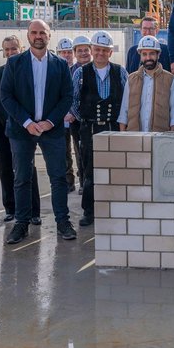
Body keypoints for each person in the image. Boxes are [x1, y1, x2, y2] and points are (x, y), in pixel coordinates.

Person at [1, 20, 76, 245]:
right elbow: (6, 96)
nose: (38, 36)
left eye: (42, 32)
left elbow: (67, 97)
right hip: (22, 129)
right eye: (34, 32)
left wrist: (50, 122)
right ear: (28, 36)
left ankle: (63, 221)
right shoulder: (14, 63)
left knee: (58, 177)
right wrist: (26, 122)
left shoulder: (60, 65)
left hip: (51, 130)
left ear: (49, 35)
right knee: (22, 177)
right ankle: (21, 224)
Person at [71, 31, 128, 226]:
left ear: (110, 52)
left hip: (113, 126)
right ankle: (89, 210)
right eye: (97, 49)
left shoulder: (120, 72)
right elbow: (73, 101)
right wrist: (84, 120)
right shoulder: (80, 72)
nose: (101, 53)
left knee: (115, 169)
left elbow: (128, 100)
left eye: (105, 50)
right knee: (89, 171)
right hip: (90, 128)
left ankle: (115, 208)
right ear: (92, 50)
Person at [0, 35, 41, 225]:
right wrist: (12, 117)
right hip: (1, 125)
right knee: (5, 167)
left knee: (27, 167)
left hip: (24, 127)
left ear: (21, 48)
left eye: (14, 49)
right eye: (7, 50)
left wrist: (23, 121)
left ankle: (34, 211)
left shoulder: (30, 71)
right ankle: (10, 208)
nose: (10, 53)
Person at [118, 35, 174, 132]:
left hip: (160, 138)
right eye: (144, 54)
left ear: (158, 55)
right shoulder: (131, 79)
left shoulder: (170, 80)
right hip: (134, 137)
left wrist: (170, 138)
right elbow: (124, 111)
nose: (148, 57)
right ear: (140, 55)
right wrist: (123, 135)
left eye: (152, 54)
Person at [66, 34, 92, 194]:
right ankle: (83, 183)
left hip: (94, 119)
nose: (83, 53)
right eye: (80, 50)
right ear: (75, 53)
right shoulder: (69, 72)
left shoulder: (96, 69)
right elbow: (67, 95)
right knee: (80, 152)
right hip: (76, 120)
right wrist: (73, 113)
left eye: (86, 50)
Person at [56, 37, 77, 192]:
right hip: (60, 118)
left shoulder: (79, 70)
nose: (66, 55)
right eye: (63, 52)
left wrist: (73, 113)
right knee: (63, 151)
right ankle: (68, 181)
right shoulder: (55, 70)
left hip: (75, 117)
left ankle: (82, 180)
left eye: (69, 52)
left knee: (79, 150)